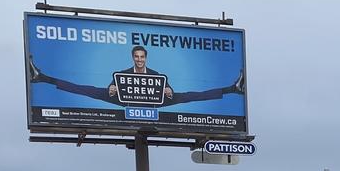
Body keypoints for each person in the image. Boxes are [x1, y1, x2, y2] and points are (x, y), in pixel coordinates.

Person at [29, 45, 244, 105]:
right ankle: (42, 77)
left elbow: (166, 88)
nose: (139, 59)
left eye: (142, 57)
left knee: (192, 95)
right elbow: (113, 86)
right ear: (133, 58)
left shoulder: (157, 75)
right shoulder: (122, 74)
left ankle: (233, 89)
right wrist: (112, 88)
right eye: (136, 57)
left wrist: (168, 90)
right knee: (87, 90)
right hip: (126, 104)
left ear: (145, 58)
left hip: (154, 105)